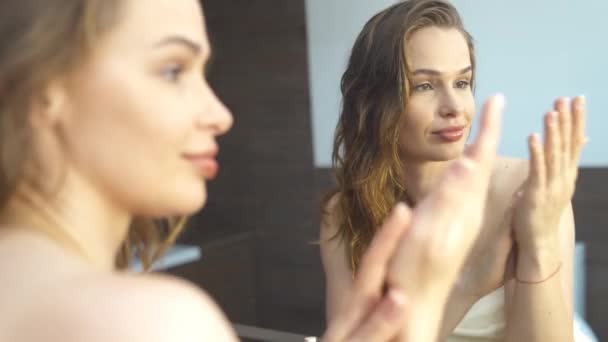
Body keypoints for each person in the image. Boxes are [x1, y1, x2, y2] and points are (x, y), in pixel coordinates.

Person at [0, 0, 503, 341]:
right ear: (48, 93)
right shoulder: (154, 321)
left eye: (464, 82)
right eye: (173, 69)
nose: (220, 113)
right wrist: (449, 291)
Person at [321, 0, 586, 341]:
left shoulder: (524, 191)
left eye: (462, 83)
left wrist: (541, 246)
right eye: (425, 86)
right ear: (372, 102)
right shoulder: (343, 212)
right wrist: (469, 286)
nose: (454, 108)